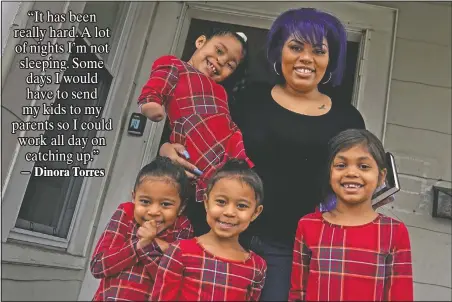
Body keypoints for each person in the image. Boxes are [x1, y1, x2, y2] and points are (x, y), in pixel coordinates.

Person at [160, 8, 366, 300]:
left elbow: (353, 179)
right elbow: (199, 129)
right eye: (296, 47)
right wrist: (167, 148)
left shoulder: (347, 119)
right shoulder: (247, 96)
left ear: (329, 59)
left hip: (286, 246)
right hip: (219, 229)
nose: (306, 58)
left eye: (318, 51)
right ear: (279, 52)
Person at [289, 129, 413, 301]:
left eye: (364, 166)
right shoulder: (309, 225)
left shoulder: (394, 232)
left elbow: (400, 296)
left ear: (381, 176)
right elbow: (298, 293)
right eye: (341, 165)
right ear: (330, 172)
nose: (351, 173)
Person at [137, 30, 253, 205]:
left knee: (236, 182)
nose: (221, 61)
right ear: (200, 41)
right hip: (193, 151)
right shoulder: (175, 65)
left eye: (230, 65)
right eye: (219, 51)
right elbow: (159, 82)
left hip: (228, 150)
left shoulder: (222, 92)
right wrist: (151, 103)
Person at [150, 159, 266, 301]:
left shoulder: (256, 267)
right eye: (221, 202)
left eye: (241, 206)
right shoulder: (180, 252)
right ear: (206, 202)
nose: (229, 212)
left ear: (255, 213)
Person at [90, 156, 193, 301]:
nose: (153, 211)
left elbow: (172, 283)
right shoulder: (126, 213)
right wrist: (137, 245)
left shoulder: (182, 227)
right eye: (145, 201)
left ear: (181, 207)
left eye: (165, 204)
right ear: (134, 197)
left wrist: (148, 246)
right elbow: (98, 266)